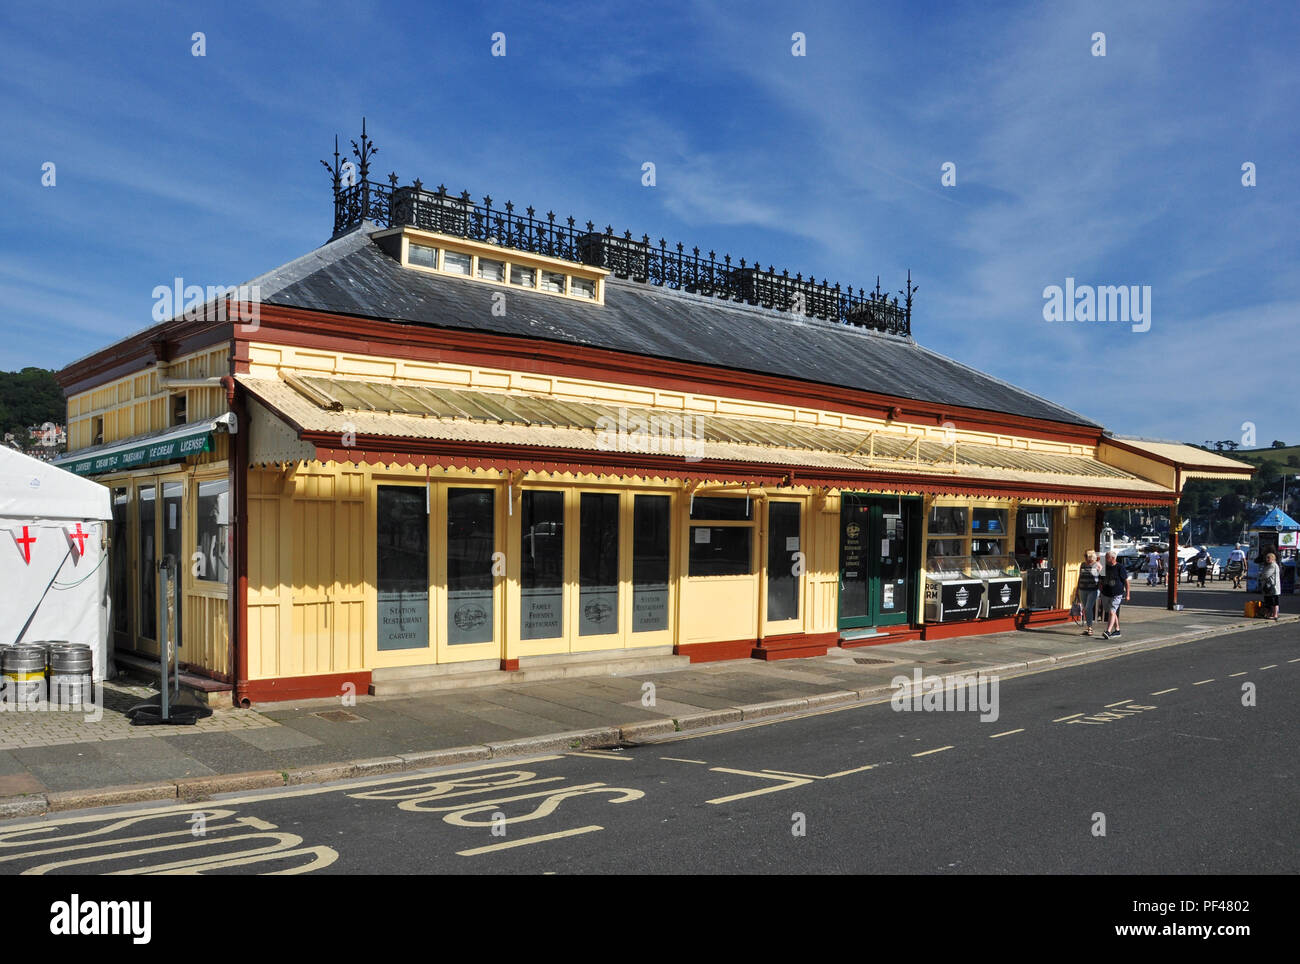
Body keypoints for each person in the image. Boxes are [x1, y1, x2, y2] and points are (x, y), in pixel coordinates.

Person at [1101, 550, 1131, 639]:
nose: (1105, 559)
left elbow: (1126, 581)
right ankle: (1117, 630)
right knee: (1110, 611)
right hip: (1105, 593)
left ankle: (1108, 631)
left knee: (1112, 611)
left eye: (1107, 557)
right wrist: (1100, 589)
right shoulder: (1104, 567)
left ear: (1113, 558)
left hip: (1117, 593)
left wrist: (1128, 594)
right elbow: (1100, 580)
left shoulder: (1120, 567)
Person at [1074, 550, 1103, 636]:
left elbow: (1102, 578)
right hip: (1082, 589)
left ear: (1091, 556)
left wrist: (1102, 590)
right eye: (1085, 556)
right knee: (1086, 608)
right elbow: (1080, 576)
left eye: (1086, 556)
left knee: (1088, 608)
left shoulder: (1098, 565)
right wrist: (1077, 589)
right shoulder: (1083, 564)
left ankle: (1090, 628)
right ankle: (1088, 627)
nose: (1085, 558)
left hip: (1093, 589)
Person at [1259, 552, 1281, 620]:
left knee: (1274, 602)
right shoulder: (1270, 565)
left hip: (1272, 587)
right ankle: (1270, 614)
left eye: (1269, 558)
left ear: (1273, 558)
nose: (1267, 559)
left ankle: (1275, 615)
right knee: (1269, 601)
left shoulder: (1272, 565)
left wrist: (1261, 576)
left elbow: (1265, 575)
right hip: (1269, 587)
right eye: (1266, 558)